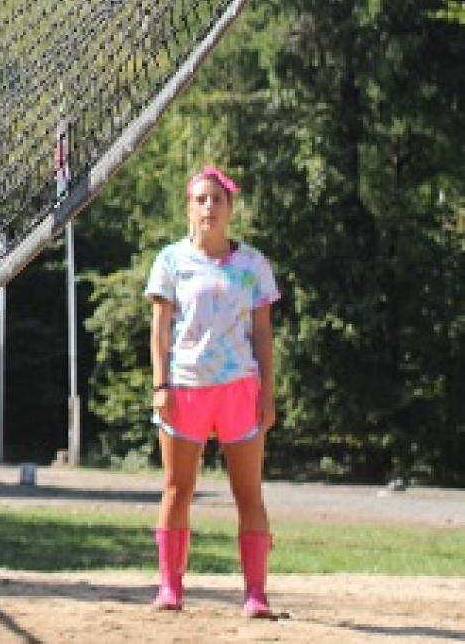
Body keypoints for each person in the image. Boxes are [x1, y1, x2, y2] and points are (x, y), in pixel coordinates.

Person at [146, 165, 280, 618]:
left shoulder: (253, 265)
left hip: (239, 388)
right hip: (185, 388)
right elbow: (160, 330)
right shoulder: (171, 261)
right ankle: (170, 587)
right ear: (189, 207)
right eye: (200, 200)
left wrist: (268, 393)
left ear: (229, 208)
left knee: (248, 492)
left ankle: (256, 593)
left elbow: (263, 335)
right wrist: (160, 384)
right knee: (177, 489)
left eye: (217, 200)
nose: (209, 207)